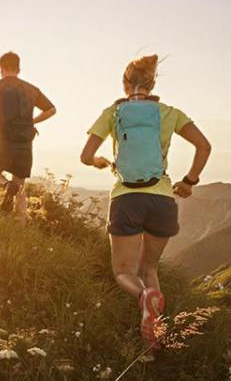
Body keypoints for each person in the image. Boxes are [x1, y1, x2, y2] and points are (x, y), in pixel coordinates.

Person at [80, 54, 212, 346]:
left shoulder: (112, 114)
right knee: (149, 268)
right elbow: (204, 146)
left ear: (125, 84)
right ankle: (156, 336)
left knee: (123, 272)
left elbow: (85, 156)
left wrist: (100, 162)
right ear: (152, 85)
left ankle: (143, 297)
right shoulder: (169, 113)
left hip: (127, 199)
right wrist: (189, 182)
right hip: (163, 201)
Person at [0, 51, 56, 218]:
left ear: (1, 68)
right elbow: (51, 109)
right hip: (25, 143)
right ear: (18, 68)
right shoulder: (32, 89)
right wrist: (33, 121)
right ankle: (20, 224)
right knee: (19, 185)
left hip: (4, 140)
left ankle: (5, 186)